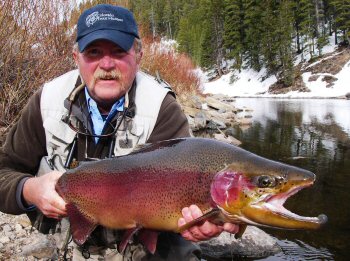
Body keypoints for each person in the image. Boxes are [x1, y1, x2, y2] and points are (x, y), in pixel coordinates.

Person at [0, 4, 238, 260]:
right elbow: (4, 171)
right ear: (75, 57)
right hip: (69, 235)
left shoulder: (162, 109)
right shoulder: (47, 101)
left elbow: (186, 188)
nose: (106, 63)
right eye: (93, 52)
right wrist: (30, 189)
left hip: (140, 238)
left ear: (138, 56)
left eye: (118, 51)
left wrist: (201, 219)